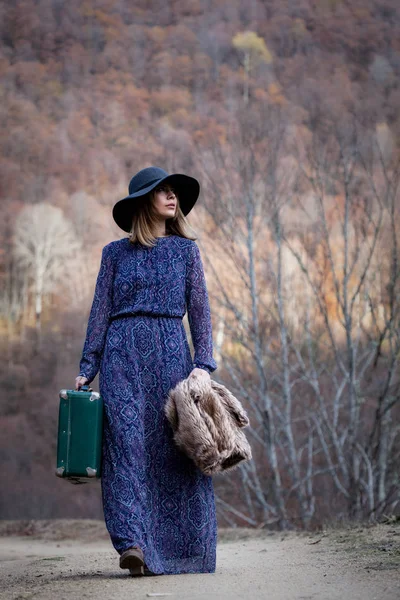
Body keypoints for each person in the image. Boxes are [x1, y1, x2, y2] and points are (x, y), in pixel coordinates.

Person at [74, 166, 218, 576]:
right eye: (164, 192)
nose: (172, 198)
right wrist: (88, 367)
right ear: (144, 201)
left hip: (172, 357)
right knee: (125, 448)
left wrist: (203, 365)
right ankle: (132, 543)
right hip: (122, 359)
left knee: (174, 451)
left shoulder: (187, 252)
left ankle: (183, 551)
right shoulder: (114, 254)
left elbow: (201, 313)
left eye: (175, 192)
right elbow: (98, 314)